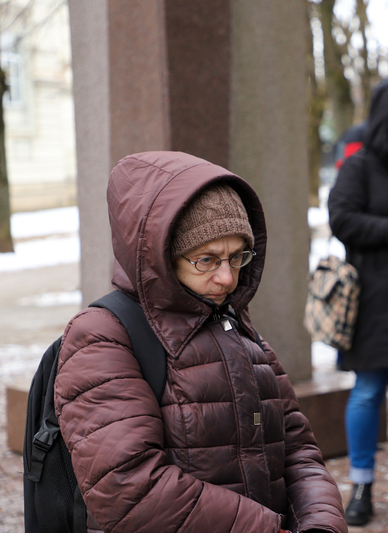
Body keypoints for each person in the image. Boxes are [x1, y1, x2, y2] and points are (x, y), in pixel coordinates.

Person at [54, 151, 347, 533]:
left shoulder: (233, 324)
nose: (227, 278)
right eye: (206, 260)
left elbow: (298, 451)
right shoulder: (102, 336)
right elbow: (128, 488)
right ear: (159, 258)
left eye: (236, 257)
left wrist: (321, 524)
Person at [327, 77, 388, 526]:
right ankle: (362, 486)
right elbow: (343, 221)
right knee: (368, 393)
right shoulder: (361, 166)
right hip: (372, 304)